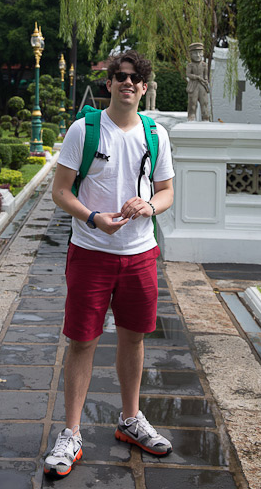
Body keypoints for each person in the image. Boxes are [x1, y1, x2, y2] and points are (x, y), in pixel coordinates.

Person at [43, 50, 175, 478]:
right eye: (120, 76)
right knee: (83, 341)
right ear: (109, 84)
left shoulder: (156, 134)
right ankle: (72, 432)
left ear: (145, 86)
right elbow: (61, 191)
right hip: (91, 253)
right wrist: (94, 218)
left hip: (139, 255)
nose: (127, 83)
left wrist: (149, 207)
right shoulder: (85, 130)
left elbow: (167, 192)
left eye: (135, 78)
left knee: (134, 340)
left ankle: (130, 419)